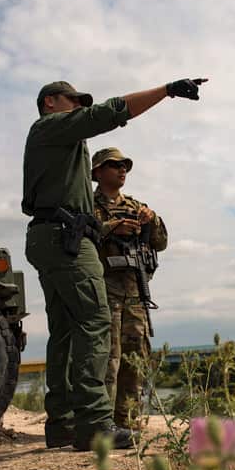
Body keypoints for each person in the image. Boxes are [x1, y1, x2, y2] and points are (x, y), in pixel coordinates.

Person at [23, 77, 206, 451]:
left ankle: (63, 424)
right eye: (73, 102)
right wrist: (165, 91)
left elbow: (159, 240)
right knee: (94, 322)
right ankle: (93, 424)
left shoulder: (60, 146)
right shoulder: (50, 126)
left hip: (56, 236)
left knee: (64, 331)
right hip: (66, 238)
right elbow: (109, 113)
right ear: (50, 102)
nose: (78, 109)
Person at [92, 148, 167, 428]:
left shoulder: (136, 206)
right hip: (104, 289)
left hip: (134, 290)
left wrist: (153, 219)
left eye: (125, 166)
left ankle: (128, 420)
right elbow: (80, 237)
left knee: (135, 357)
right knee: (107, 358)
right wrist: (112, 228)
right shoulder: (89, 206)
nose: (122, 170)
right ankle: (101, 422)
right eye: (114, 165)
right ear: (98, 172)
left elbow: (160, 243)